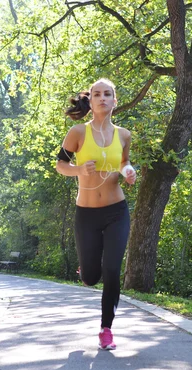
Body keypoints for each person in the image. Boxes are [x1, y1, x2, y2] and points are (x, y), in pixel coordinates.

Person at [56, 78, 137, 350]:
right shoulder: (78, 132)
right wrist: (79, 170)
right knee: (92, 277)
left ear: (115, 100)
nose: (102, 98)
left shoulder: (124, 135)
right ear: (90, 101)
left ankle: (106, 330)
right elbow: (60, 165)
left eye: (108, 94)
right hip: (87, 213)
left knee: (112, 270)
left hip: (117, 211)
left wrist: (128, 172)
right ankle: (86, 270)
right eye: (97, 94)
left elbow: (124, 162)